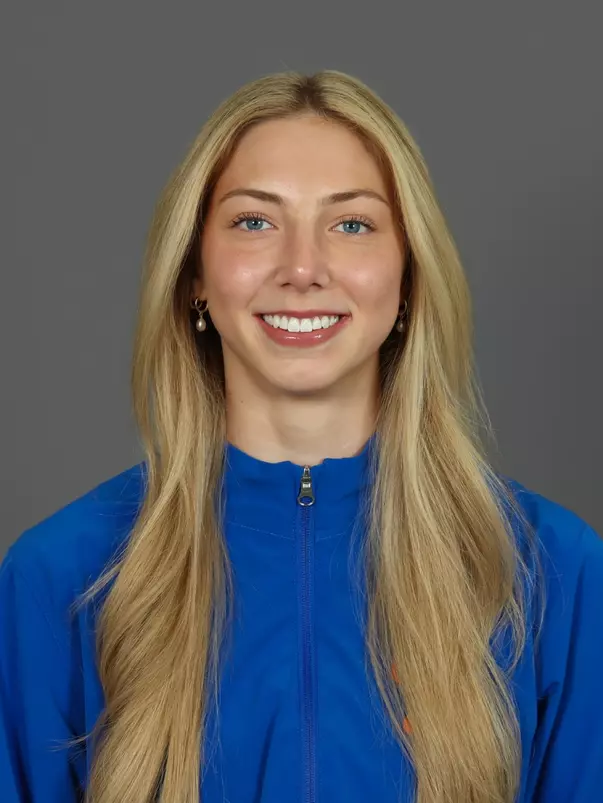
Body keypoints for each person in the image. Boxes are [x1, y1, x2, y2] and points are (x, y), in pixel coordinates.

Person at [0, 69, 602, 803]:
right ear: (195, 273)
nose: (302, 269)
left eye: (351, 224)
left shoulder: (553, 572)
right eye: (255, 221)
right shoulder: (61, 577)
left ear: (408, 275)